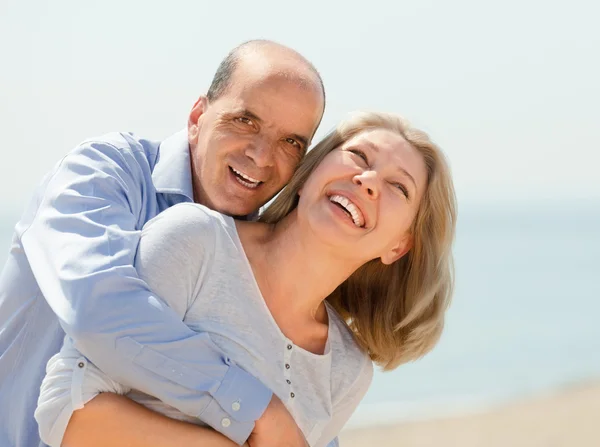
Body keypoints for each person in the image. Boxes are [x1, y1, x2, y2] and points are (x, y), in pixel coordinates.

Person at [34, 111, 457, 447]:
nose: (367, 181)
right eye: (359, 157)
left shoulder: (347, 371)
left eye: (398, 187)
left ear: (398, 247)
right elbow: (65, 414)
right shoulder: (196, 240)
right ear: (312, 169)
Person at [0, 39, 325, 447]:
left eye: (291, 142)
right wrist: (258, 409)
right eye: (245, 120)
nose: (262, 156)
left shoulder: (268, 266)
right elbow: (96, 308)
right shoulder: (104, 172)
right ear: (197, 116)